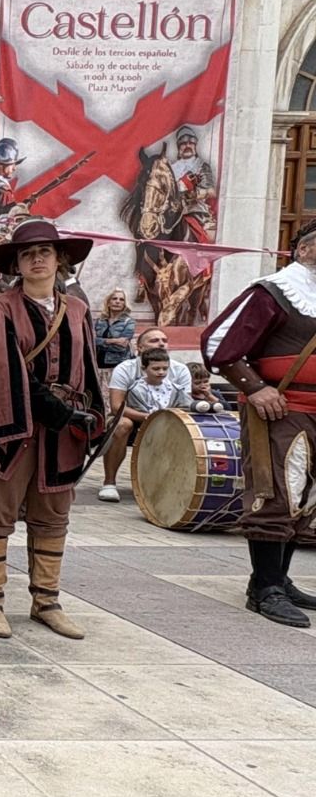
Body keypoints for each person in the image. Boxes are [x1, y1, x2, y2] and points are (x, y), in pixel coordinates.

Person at [0, 220, 106, 640]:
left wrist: (92, 416)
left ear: (60, 259)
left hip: (63, 431)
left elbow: (89, 370)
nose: (39, 259)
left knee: (53, 516)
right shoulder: (0, 309)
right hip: (12, 426)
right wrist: (52, 409)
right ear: (17, 264)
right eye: (29, 253)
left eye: (46, 251)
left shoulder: (78, 310)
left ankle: (47, 601)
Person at [202, 220, 316, 628]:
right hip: (281, 410)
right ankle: (263, 588)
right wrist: (256, 389)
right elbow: (217, 343)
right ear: (303, 250)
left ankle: (280, 580)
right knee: (276, 494)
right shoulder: (274, 292)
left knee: (304, 498)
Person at [97, 326, 194, 502]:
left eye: (164, 341)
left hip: (169, 417)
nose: (161, 343)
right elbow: (116, 406)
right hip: (133, 416)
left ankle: (171, 483)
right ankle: (109, 483)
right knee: (121, 425)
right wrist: (147, 417)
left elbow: (185, 404)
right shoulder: (125, 368)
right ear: (139, 348)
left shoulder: (180, 370)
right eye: (154, 340)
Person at [94, 289, 136, 370]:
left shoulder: (129, 322)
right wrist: (112, 341)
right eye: (114, 299)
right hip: (98, 362)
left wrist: (100, 342)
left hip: (119, 364)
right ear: (108, 302)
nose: (117, 301)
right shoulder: (99, 321)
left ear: (124, 304)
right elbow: (91, 341)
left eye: (121, 299)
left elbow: (122, 347)